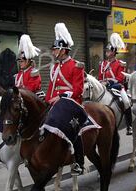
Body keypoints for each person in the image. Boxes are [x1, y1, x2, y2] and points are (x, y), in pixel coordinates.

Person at [45, 22, 85, 175]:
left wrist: (60, 97)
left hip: (72, 103)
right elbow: (51, 87)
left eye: (55, 49)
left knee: (75, 129)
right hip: (56, 101)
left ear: (62, 50)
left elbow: (78, 90)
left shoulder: (76, 66)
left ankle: (78, 162)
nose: (53, 51)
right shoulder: (55, 67)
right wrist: (47, 100)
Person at [98, 33, 132, 135]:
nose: (107, 52)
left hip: (117, 87)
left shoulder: (120, 64)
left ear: (113, 52)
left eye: (108, 51)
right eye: (106, 51)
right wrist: (101, 82)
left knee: (126, 102)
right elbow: (100, 77)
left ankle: (129, 125)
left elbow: (120, 78)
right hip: (104, 88)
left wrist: (109, 81)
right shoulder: (102, 64)